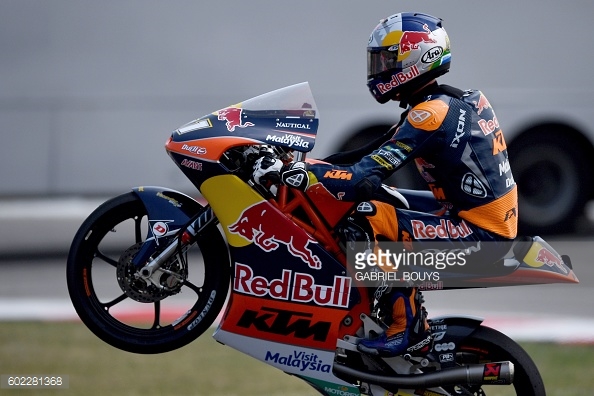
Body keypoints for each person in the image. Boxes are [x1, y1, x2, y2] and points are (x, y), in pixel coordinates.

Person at [252, 12, 518, 357]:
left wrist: (303, 176)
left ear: (415, 59)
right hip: (475, 217)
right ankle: (390, 302)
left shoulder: (431, 114)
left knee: (367, 212)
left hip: (483, 236)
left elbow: (362, 179)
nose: (378, 69)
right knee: (385, 198)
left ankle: (404, 327)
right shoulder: (444, 103)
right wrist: (299, 162)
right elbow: (365, 154)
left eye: (386, 60)